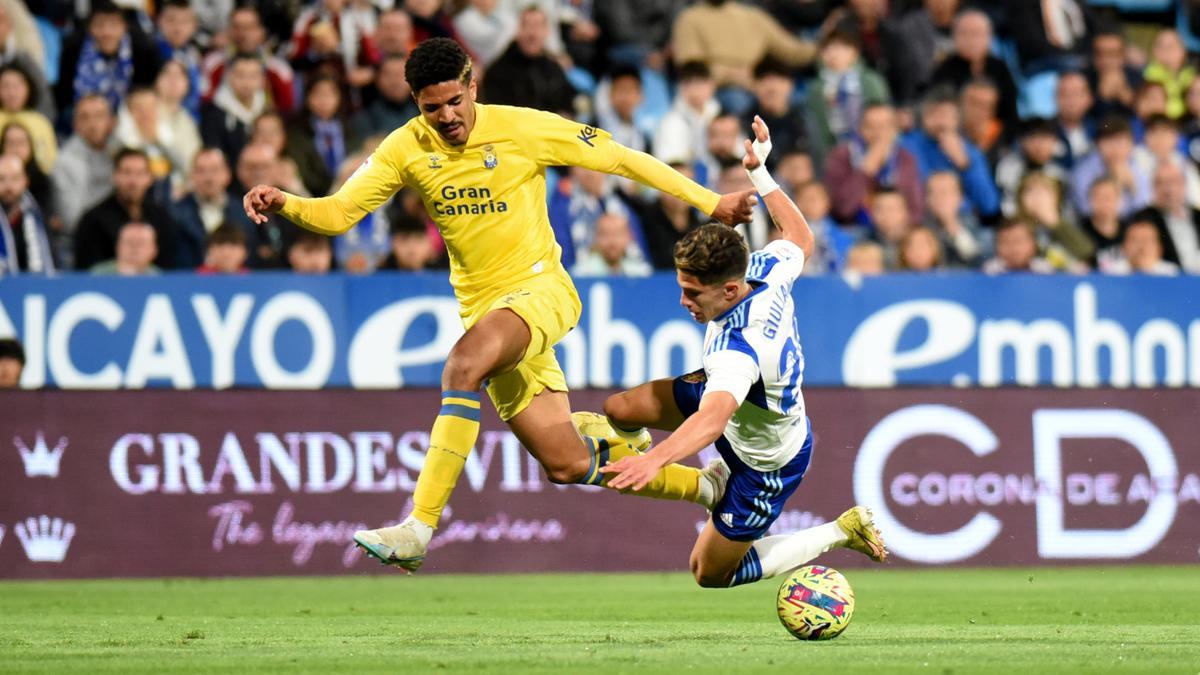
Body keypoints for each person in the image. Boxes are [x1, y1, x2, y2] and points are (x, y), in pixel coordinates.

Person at [243, 38, 755, 571]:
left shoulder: (522, 128)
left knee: (462, 366)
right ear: (415, 102)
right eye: (430, 108)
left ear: (472, 86)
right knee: (565, 461)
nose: (445, 117)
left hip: (541, 291)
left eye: (453, 102)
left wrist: (712, 201)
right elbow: (339, 213)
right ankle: (708, 488)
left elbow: (622, 159)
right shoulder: (404, 147)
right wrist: (286, 203)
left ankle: (418, 526)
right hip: (487, 313)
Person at [594, 115, 886, 589]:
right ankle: (710, 484)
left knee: (708, 574)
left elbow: (711, 420)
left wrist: (654, 461)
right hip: (733, 406)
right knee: (619, 410)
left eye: (694, 294)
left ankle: (839, 530)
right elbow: (800, 237)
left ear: (730, 291)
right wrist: (760, 173)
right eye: (681, 287)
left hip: (765, 458)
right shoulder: (766, 267)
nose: (683, 302)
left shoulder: (739, 349)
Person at [74, 148, 179, 270]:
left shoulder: (162, 218)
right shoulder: (93, 220)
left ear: (150, 178)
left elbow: (169, 268)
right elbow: (86, 271)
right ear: (115, 176)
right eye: (127, 173)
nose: (133, 181)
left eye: (140, 174)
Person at [0, 154, 54, 276]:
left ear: (25, 180)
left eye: (15, 178)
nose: (8, 186)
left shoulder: (37, 216)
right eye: (1, 179)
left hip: (30, 289)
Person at [571, 212, 653, 277]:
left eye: (617, 234)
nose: (612, 241)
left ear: (628, 237)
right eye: (605, 234)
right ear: (596, 237)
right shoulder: (580, 274)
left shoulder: (641, 274)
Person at [1109, 216, 1181, 276]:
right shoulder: (1111, 274)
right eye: (1135, 240)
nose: (1141, 246)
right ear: (1124, 247)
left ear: (1159, 248)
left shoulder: (1172, 274)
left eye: (1147, 240)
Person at [89, 221, 161, 275]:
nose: (134, 247)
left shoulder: (160, 277)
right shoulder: (98, 275)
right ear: (117, 247)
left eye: (140, 243)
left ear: (154, 250)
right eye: (129, 242)